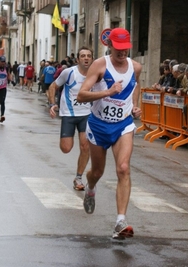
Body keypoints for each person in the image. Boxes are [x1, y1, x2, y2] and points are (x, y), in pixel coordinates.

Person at [76, 28, 142, 239]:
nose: (122, 53)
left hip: (123, 125)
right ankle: (91, 187)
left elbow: (135, 86)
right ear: (110, 45)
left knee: (123, 168)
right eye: (118, 49)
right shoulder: (100, 65)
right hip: (98, 126)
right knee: (97, 172)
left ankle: (120, 221)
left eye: (125, 49)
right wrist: (107, 92)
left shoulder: (136, 67)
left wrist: (135, 105)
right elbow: (81, 95)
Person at [48, 47, 94, 190]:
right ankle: (67, 141)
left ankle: (78, 178)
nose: (86, 58)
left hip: (86, 114)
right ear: (78, 59)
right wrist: (52, 104)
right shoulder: (69, 73)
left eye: (88, 56)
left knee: (85, 146)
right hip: (68, 114)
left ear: (92, 59)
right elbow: (52, 86)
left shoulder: (95, 74)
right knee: (66, 148)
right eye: (83, 56)